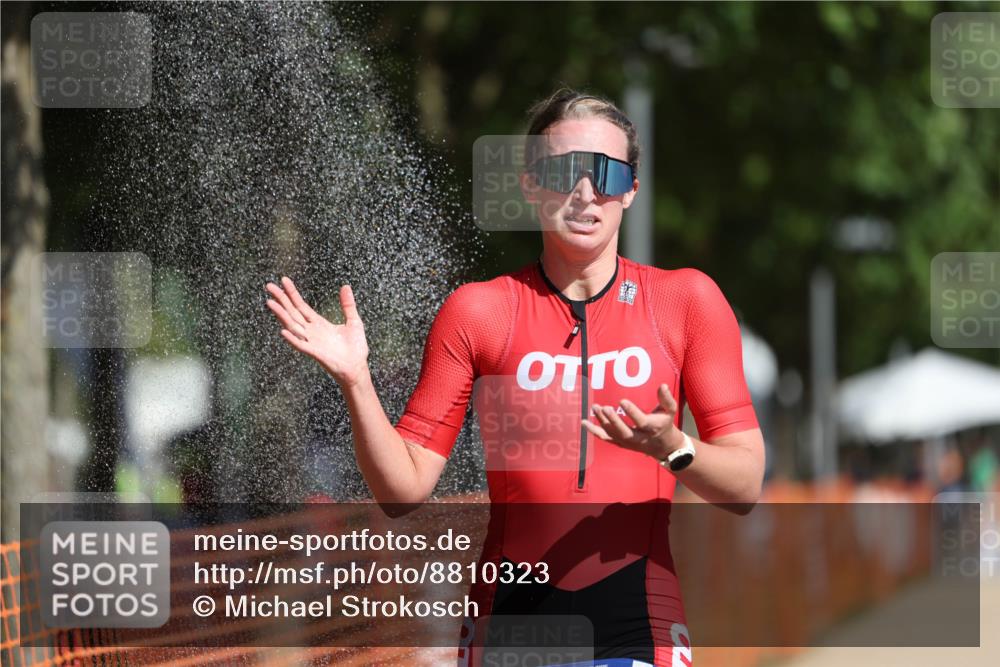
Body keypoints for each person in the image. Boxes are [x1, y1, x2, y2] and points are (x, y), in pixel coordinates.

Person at [266, 88, 765, 667]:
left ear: (631, 187)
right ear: (530, 184)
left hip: (638, 622)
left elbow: (745, 482)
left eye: (605, 172)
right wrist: (356, 380)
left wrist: (673, 447)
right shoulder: (481, 311)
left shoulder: (685, 302)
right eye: (563, 171)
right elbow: (402, 490)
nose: (584, 192)